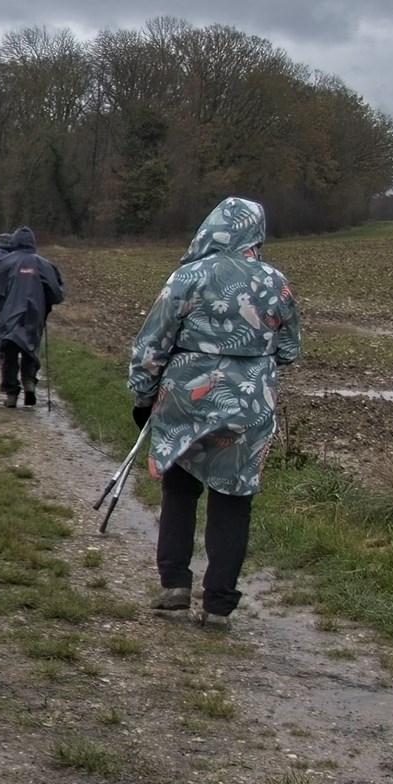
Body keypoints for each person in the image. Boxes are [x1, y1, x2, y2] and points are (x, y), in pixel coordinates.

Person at [126, 196, 300, 628]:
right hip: (250, 403)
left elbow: (152, 344)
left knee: (180, 488)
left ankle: (174, 585)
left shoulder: (188, 276)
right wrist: (252, 363)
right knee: (234, 497)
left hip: (186, 398)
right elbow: (291, 349)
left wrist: (143, 396)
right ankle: (219, 604)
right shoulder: (275, 282)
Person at [0, 225, 63, 406]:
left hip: (8, 316)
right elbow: (57, 293)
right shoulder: (45, 265)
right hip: (35, 316)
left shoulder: (4, 263)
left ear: (14, 242)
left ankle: (11, 393)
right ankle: (29, 383)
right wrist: (44, 302)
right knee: (30, 349)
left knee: (9, 351)